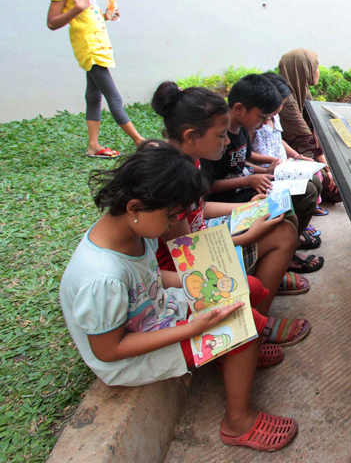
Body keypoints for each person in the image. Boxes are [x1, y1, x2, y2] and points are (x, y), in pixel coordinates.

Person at [58, 141, 297, 451]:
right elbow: (109, 350)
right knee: (240, 321)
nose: (175, 225)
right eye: (171, 217)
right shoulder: (102, 278)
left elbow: (152, 278)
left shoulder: (131, 231)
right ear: (134, 207)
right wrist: (191, 329)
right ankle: (238, 422)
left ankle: (235, 354)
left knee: (244, 286)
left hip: (154, 312)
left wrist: (200, 280)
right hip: (131, 355)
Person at [151, 82, 316, 336]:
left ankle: (266, 282)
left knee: (282, 216)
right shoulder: (172, 178)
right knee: (283, 234)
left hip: (200, 239)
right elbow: (186, 250)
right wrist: (245, 236)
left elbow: (199, 209)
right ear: (191, 136)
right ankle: (253, 326)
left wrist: (241, 208)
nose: (227, 140)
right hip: (184, 265)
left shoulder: (188, 160)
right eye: (220, 135)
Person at [200, 74, 324, 255]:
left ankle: (289, 246)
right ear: (240, 109)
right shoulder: (215, 140)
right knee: (306, 193)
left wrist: (267, 170)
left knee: (311, 183)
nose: (264, 122)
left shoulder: (241, 129)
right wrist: (249, 180)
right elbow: (208, 188)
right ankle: (283, 250)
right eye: (262, 117)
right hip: (231, 198)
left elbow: (243, 161)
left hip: (247, 186)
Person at [46, 0, 144, 158]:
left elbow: (89, 16)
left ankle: (93, 145)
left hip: (99, 47)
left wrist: (105, 15)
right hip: (90, 50)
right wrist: (76, 9)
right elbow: (52, 23)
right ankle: (140, 140)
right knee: (114, 97)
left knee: (93, 96)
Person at [277, 48, 341, 206]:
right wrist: (329, 170)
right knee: (337, 190)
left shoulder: (301, 90)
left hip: (305, 151)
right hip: (290, 153)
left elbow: (317, 123)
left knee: (340, 180)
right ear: (303, 69)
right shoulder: (285, 100)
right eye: (315, 67)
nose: (318, 71)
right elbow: (306, 140)